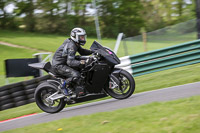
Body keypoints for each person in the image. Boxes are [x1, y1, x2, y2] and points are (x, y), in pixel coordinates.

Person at [52, 27, 93, 96]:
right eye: (81, 37)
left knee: (82, 66)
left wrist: (94, 51)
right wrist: (82, 63)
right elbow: (70, 62)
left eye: (83, 37)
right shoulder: (71, 46)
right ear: (75, 37)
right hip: (59, 65)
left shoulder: (75, 43)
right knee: (76, 75)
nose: (83, 39)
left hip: (64, 62)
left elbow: (82, 51)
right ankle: (63, 86)